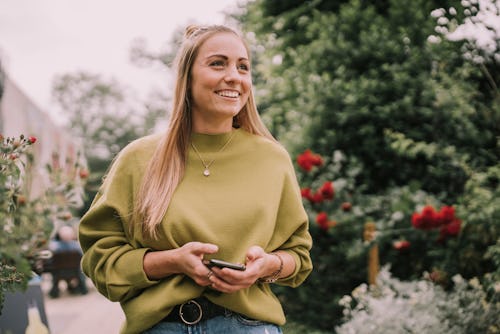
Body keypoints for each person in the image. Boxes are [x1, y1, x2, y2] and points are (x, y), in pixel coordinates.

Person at [78, 24, 313, 334]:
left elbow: (298, 256)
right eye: (218, 63)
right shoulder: (138, 159)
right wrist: (172, 261)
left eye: (243, 67)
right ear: (186, 78)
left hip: (249, 327)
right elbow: (100, 262)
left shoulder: (272, 159)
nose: (234, 76)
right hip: (160, 327)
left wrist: (265, 266)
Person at [47, 225, 88, 298]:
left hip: (58, 272)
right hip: (76, 271)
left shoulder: (54, 247)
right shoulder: (77, 246)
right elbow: (83, 257)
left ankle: (55, 292)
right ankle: (82, 289)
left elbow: (50, 259)